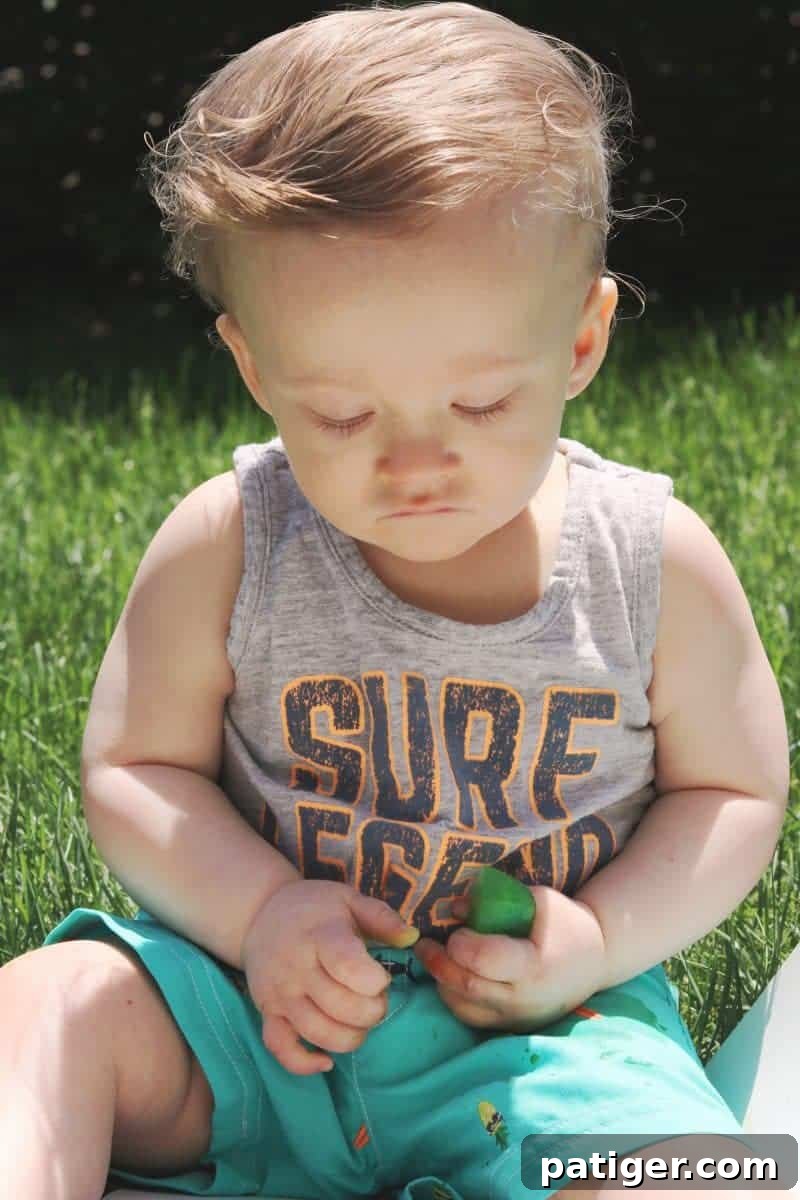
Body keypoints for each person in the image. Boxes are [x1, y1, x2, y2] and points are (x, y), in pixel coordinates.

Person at [0, 4, 790, 1199]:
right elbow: (132, 770)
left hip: (549, 1042)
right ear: (256, 367)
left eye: (479, 405)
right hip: (254, 1019)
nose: (413, 464)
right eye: (339, 415)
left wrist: (598, 940)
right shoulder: (230, 541)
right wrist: (261, 913)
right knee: (47, 1004)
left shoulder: (648, 561)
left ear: (580, 339)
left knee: (691, 1172)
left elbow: (732, 792)